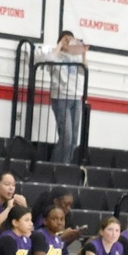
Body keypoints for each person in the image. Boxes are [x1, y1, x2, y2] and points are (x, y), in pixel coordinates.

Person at [36, 31, 87, 165]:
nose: (68, 42)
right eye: (66, 39)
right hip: (61, 98)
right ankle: (57, 167)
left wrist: (82, 52)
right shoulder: (55, 53)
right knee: (66, 136)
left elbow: (84, 70)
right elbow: (46, 59)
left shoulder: (75, 58)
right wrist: (59, 45)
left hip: (76, 98)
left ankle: (67, 166)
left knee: (74, 138)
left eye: (70, 40)